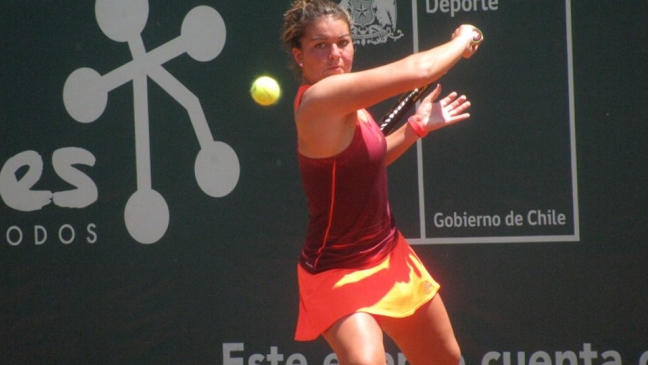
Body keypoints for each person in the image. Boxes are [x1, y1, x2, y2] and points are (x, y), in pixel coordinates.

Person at [281, 1, 480, 364]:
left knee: (445, 360)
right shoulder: (320, 100)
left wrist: (415, 128)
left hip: (388, 254)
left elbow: (365, 164)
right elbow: (420, 69)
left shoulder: (348, 99)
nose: (335, 55)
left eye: (343, 42)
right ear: (299, 55)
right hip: (335, 272)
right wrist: (464, 38)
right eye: (320, 46)